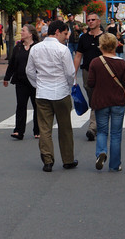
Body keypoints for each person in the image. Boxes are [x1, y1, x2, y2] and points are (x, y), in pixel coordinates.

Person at [26, 20, 77, 172]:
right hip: (61, 92)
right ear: (57, 32)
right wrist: (68, 85)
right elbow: (70, 73)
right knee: (65, 128)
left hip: (42, 93)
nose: (66, 37)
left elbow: (29, 71)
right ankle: (67, 160)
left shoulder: (35, 48)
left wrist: (37, 85)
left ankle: (47, 160)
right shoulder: (63, 49)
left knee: (44, 129)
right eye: (65, 33)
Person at [87, 32, 125, 172]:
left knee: (102, 131)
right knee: (116, 134)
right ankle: (115, 164)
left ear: (101, 45)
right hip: (117, 101)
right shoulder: (121, 63)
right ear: (115, 45)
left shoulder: (95, 62)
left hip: (101, 101)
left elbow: (90, 83)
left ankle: (101, 153)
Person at [3, 24, 40, 140]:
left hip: (35, 82)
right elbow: (12, 64)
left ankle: (38, 131)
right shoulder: (18, 47)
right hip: (20, 81)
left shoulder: (38, 47)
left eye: (23, 31)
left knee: (37, 107)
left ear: (30, 33)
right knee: (21, 106)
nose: (21, 32)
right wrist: (6, 77)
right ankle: (19, 131)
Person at [73, 12, 104, 141]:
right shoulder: (83, 38)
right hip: (87, 71)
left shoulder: (105, 37)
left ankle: (92, 127)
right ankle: (100, 123)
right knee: (93, 98)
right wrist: (73, 74)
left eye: (93, 19)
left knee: (98, 97)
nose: (90, 22)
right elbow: (78, 56)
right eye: (89, 20)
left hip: (102, 72)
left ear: (98, 21)